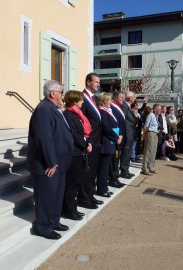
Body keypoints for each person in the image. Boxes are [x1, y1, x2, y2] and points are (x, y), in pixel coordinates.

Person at [27, 80, 74, 240]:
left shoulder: (52, 108)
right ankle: (43, 227)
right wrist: (51, 162)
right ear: (53, 93)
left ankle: (53, 221)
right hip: (47, 164)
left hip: (58, 163)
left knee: (56, 195)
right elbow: (44, 139)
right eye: (61, 92)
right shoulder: (43, 110)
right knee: (46, 197)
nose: (62, 94)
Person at [62, 90, 92, 221]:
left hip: (80, 152)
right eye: (81, 100)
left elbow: (84, 133)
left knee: (75, 183)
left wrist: (88, 143)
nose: (83, 101)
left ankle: (72, 208)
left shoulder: (78, 115)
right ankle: (69, 210)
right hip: (74, 153)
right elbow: (74, 135)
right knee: (71, 184)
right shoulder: (68, 115)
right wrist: (86, 145)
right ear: (74, 101)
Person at [78, 73, 103, 210]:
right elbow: (82, 121)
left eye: (99, 82)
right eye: (96, 82)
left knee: (93, 171)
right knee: (87, 171)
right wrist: (86, 140)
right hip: (89, 141)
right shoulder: (82, 97)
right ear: (88, 82)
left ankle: (90, 194)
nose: (98, 84)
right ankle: (83, 197)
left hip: (97, 140)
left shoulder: (94, 98)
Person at [97, 93, 123, 197]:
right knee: (103, 168)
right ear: (103, 101)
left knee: (106, 167)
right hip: (106, 143)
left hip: (110, 142)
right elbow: (106, 127)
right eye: (109, 100)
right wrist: (116, 137)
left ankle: (104, 187)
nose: (111, 102)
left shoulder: (107, 111)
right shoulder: (103, 112)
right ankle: (102, 189)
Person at [109, 91, 126, 188]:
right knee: (114, 160)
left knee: (116, 159)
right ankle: (113, 178)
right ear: (115, 97)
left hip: (120, 137)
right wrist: (117, 136)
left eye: (124, 97)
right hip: (116, 138)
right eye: (121, 97)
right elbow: (114, 123)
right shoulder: (112, 107)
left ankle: (115, 177)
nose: (123, 99)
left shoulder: (119, 107)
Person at [119, 91, 137, 179]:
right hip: (127, 133)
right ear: (129, 98)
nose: (135, 99)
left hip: (130, 132)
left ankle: (126, 170)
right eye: (134, 97)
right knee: (126, 153)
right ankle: (124, 171)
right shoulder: (125, 106)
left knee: (128, 153)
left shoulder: (128, 106)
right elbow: (123, 119)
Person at [141, 104, 160, 175]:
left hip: (155, 133)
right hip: (150, 133)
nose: (160, 111)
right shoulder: (150, 115)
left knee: (154, 151)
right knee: (148, 151)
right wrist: (144, 135)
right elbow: (145, 126)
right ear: (155, 109)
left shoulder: (156, 116)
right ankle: (145, 169)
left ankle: (151, 167)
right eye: (159, 109)